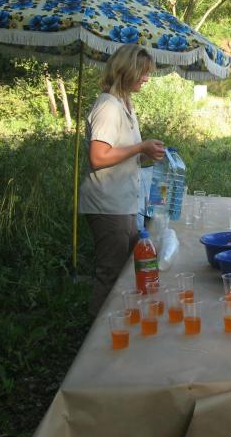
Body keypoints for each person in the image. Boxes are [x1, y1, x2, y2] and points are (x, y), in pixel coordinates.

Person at [79, 44, 166, 317]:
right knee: (111, 275)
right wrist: (140, 147)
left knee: (125, 271)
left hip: (124, 202)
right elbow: (99, 157)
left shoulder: (125, 103)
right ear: (126, 71)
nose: (146, 79)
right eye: (143, 73)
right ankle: (98, 334)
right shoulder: (108, 106)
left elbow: (121, 152)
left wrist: (147, 153)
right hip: (107, 204)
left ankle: (119, 325)